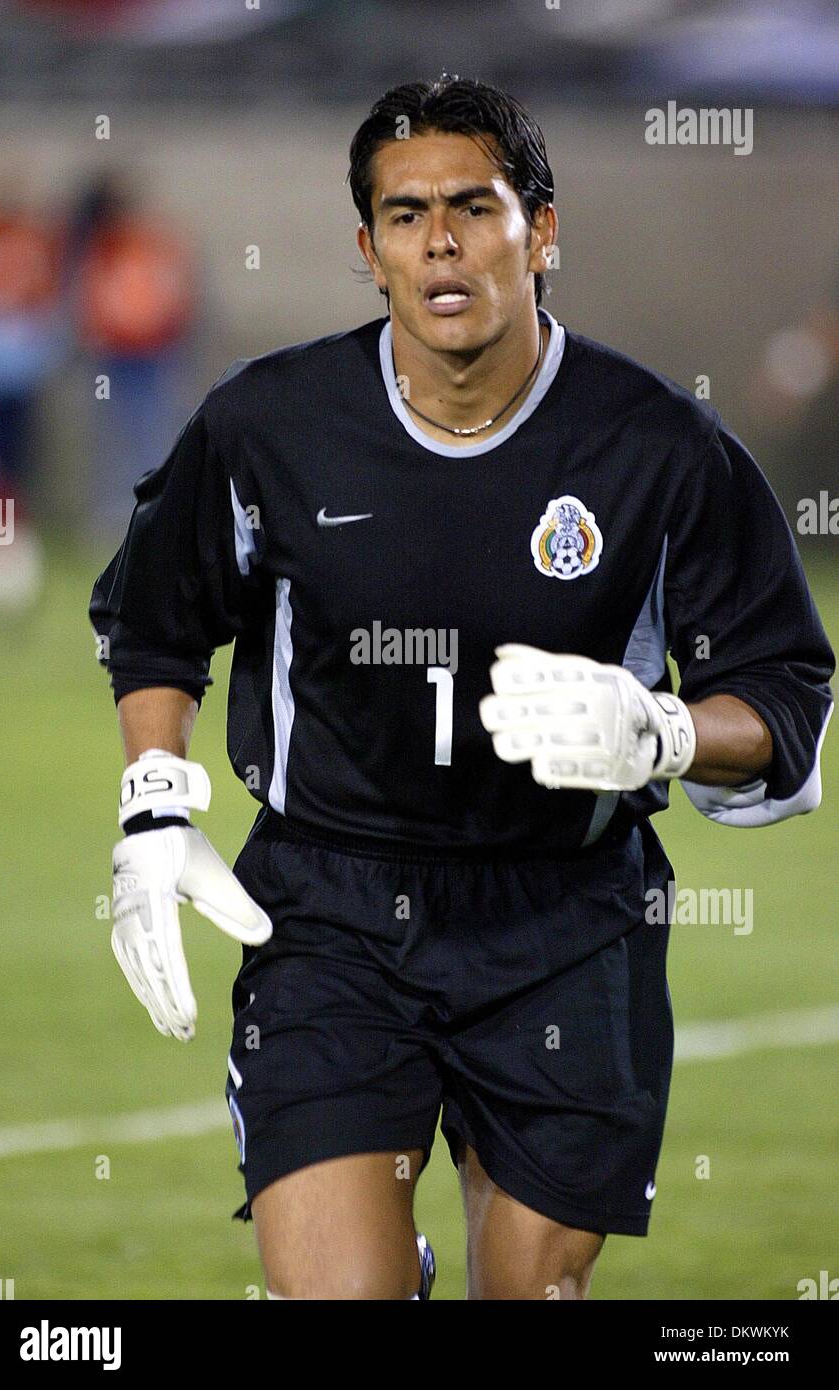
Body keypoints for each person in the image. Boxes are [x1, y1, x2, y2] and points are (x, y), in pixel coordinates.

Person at [89, 74, 834, 1301]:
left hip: (563, 918)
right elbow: (155, 624)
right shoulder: (269, 425)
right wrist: (156, 799)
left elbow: (781, 703)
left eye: (474, 208)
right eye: (403, 214)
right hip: (325, 907)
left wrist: (657, 730)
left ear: (541, 232)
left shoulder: (658, 451)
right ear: (367, 249)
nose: (439, 242)